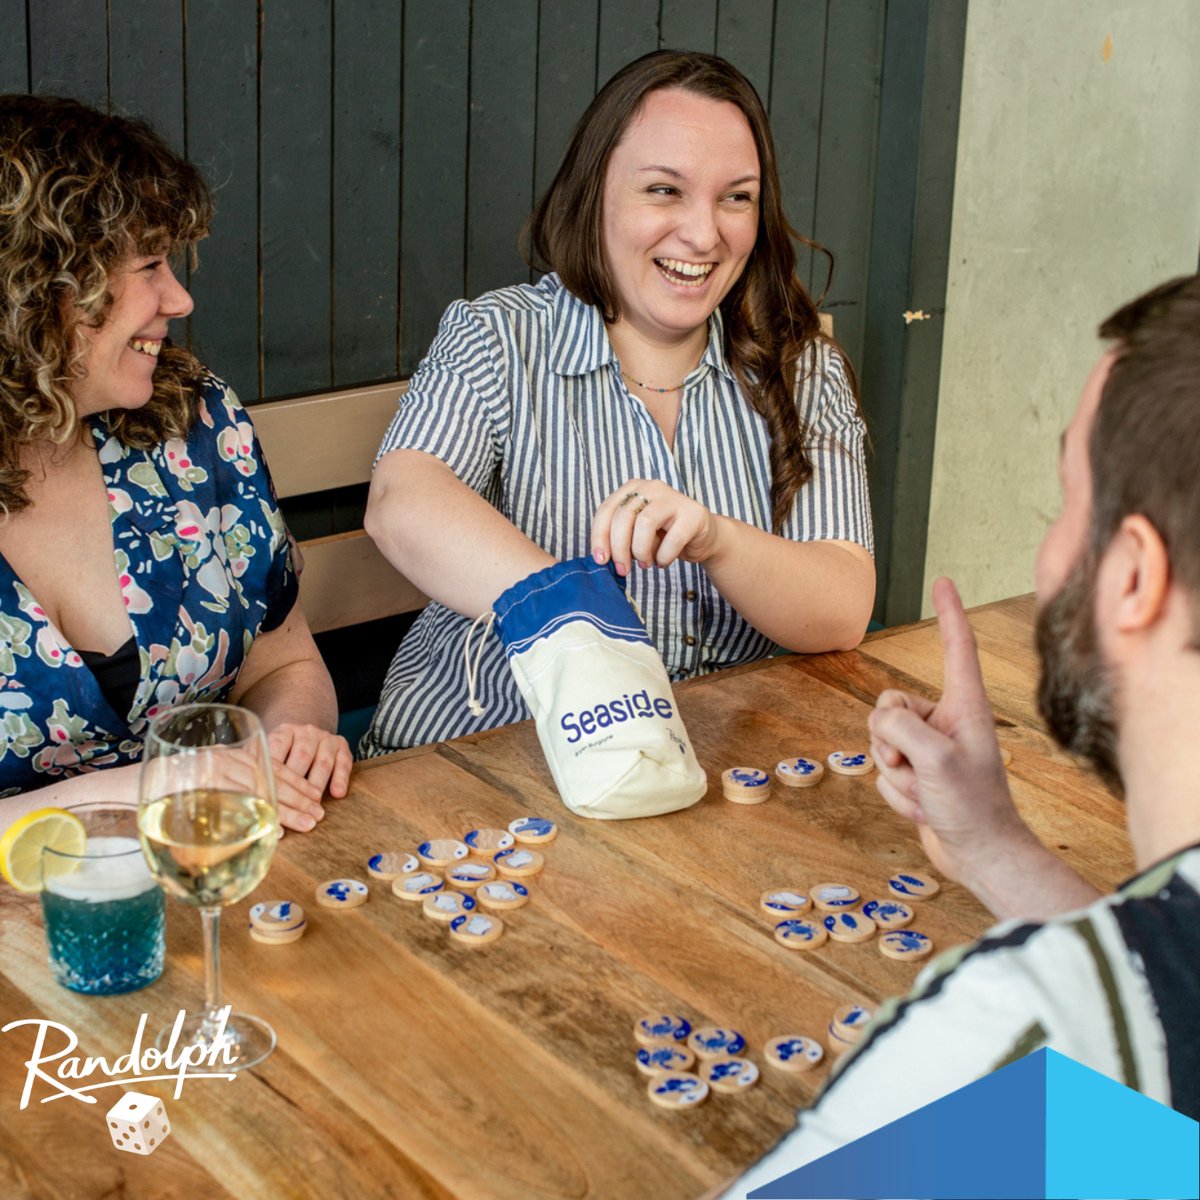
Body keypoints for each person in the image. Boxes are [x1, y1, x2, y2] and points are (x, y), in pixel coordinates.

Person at [726, 274, 1200, 1196]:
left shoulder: (1034, 1041)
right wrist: (997, 846)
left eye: (1067, 501)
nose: (1048, 549)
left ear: (1134, 577)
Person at [362, 50, 875, 754]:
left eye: (737, 197)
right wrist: (585, 620)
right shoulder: (501, 336)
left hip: (712, 773)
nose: (704, 234)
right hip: (484, 764)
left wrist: (714, 540)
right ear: (594, 191)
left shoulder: (800, 366)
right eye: (664, 190)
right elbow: (401, 504)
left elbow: (842, 609)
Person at [0, 94, 351, 832]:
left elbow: (283, 666)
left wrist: (290, 745)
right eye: (150, 264)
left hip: (209, 873)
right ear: (39, 287)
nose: (180, 298)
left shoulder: (196, 423)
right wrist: (136, 790)